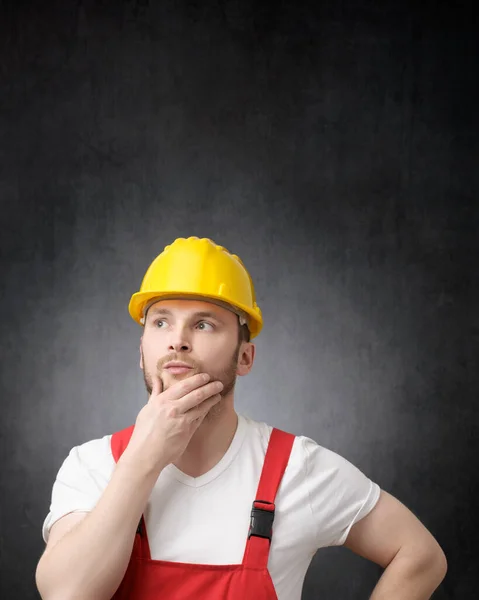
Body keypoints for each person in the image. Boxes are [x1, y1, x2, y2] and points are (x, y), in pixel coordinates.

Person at [36, 236, 447, 600]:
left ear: (245, 357)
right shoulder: (91, 466)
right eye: (161, 321)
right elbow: (66, 594)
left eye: (204, 323)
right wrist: (144, 459)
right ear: (141, 351)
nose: (178, 340)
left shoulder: (296, 469)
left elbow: (420, 556)